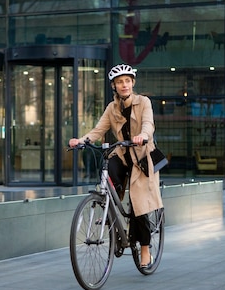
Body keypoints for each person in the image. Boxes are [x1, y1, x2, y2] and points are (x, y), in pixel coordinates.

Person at [69, 63, 164, 268]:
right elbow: (98, 130)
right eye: (120, 82)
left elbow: (148, 124)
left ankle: (145, 248)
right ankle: (107, 209)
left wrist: (143, 136)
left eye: (127, 81)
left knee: (138, 204)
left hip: (142, 159)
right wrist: (82, 140)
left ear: (132, 83)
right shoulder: (112, 108)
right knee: (108, 171)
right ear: (114, 86)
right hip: (122, 155)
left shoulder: (143, 102)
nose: (124, 85)